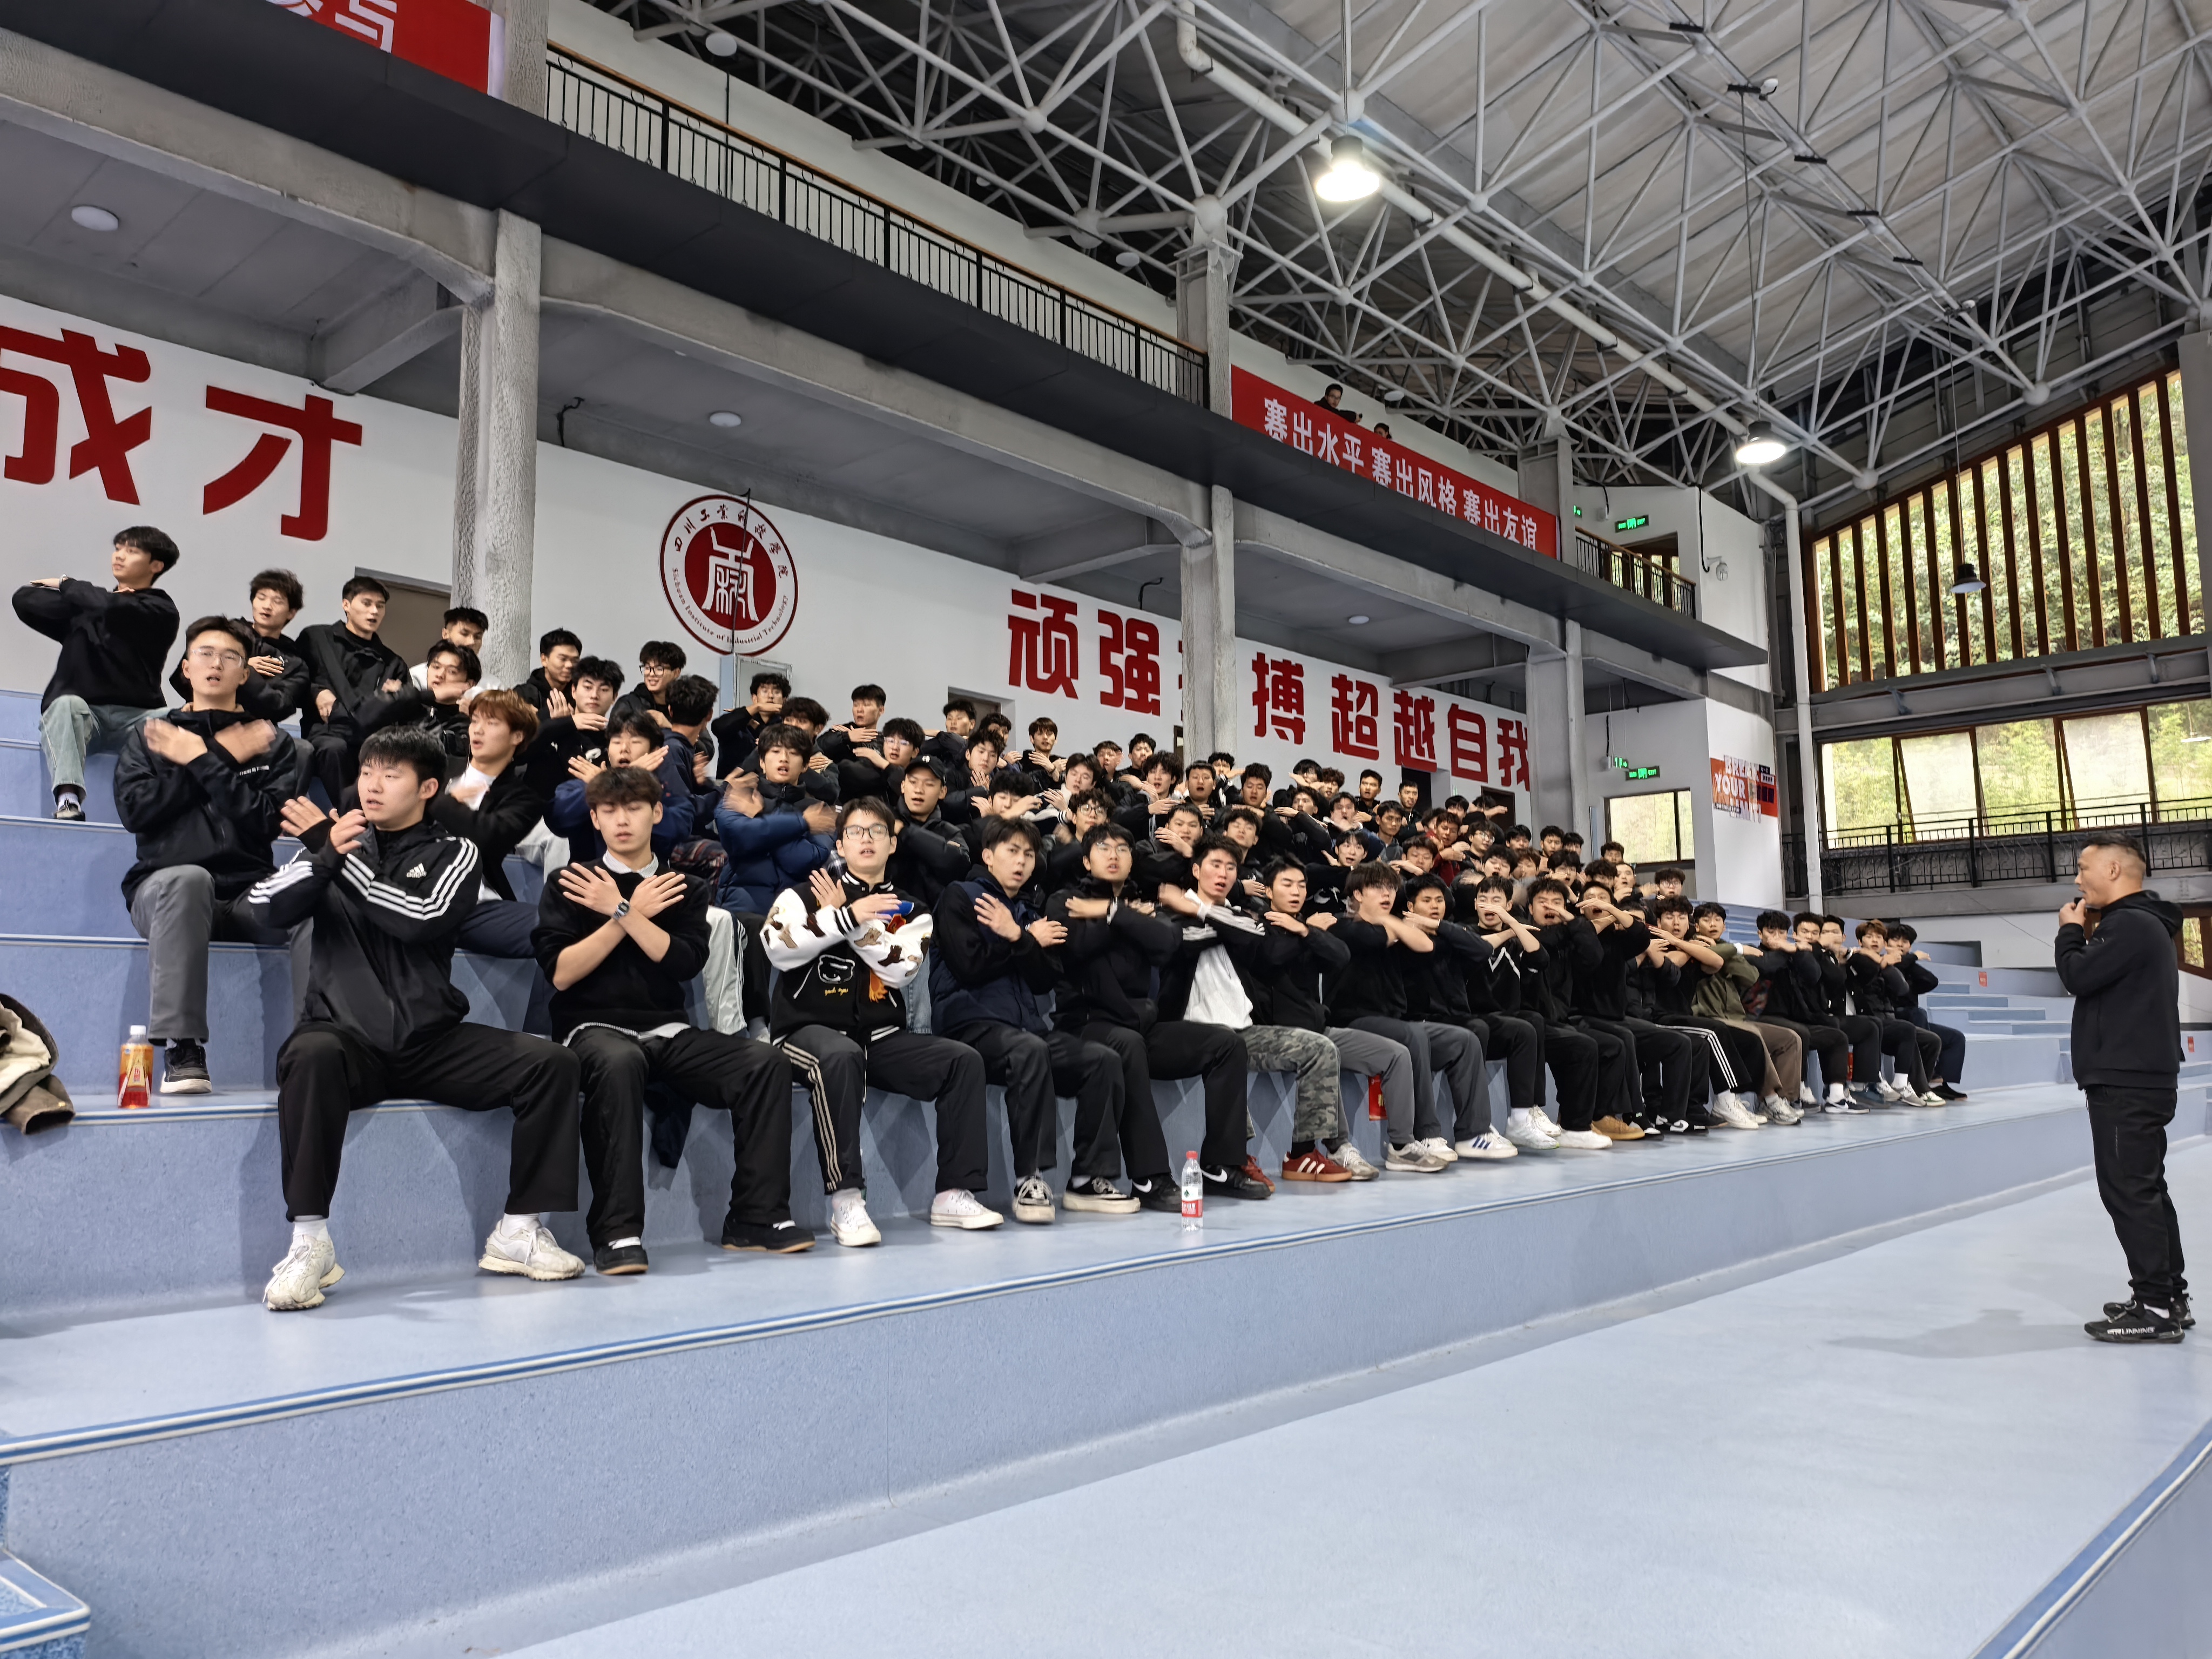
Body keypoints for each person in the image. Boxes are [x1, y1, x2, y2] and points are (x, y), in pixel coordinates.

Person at [251, 728, 585, 1310]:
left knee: (551, 1063)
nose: (373, 785)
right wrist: (326, 855)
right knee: (308, 1052)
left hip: (431, 1041)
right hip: (347, 1040)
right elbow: (262, 909)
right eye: (367, 772)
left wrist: (337, 858)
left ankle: (519, 1230)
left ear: (428, 788)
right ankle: (310, 1243)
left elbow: (419, 916)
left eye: (392, 774)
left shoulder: (456, 853)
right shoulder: (329, 847)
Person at [536, 765, 810, 1274]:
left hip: (668, 1030)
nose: (622, 820)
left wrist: (622, 910)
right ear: (594, 819)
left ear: (657, 812)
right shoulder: (573, 882)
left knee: (765, 1063)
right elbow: (563, 973)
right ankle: (617, 1232)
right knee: (619, 1063)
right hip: (592, 1029)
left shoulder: (683, 887)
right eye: (609, 810)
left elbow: (683, 963)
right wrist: (623, 911)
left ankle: (755, 1217)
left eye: (634, 808)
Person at [763, 797, 1001, 1244]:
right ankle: (847, 1201)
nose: (867, 839)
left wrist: (850, 922)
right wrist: (843, 915)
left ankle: (954, 1193)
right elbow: (778, 947)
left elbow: (901, 968)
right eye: (855, 831)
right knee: (841, 1056)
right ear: (840, 844)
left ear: (893, 843)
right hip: (806, 1032)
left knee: (962, 1061)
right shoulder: (802, 894)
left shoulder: (913, 909)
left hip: (881, 1036)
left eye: (878, 831)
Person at [115, 616, 300, 1094]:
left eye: (231, 656)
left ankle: (315, 1048)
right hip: (167, 891)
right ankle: (183, 1048)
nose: (216, 663)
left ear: (245, 674)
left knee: (316, 897)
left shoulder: (271, 742)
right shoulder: (152, 734)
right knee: (190, 879)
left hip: (248, 895)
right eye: (205, 653)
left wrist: (199, 757)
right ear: (186, 668)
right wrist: (221, 754)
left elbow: (267, 820)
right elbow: (138, 812)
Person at [1046, 821, 1268, 1206]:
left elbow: (1168, 942)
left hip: (1141, 1026)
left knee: (1226, 1044)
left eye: (1123, 849)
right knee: (1129, 1045)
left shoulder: (1144, 903)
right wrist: (1127, 917)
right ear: (1085, 861)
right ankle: (1149, 1177)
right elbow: (1078, 946)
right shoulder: (1064, 900)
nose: (1114, 855)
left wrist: (1112, 912)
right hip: (1086, 1025)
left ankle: (1220, 1165)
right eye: (1104, 848)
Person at [931, 818, 1134, 1223]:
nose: (1022, 862)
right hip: (971, 1024)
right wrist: (1020, 938)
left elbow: (1045, 979)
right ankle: (1031, 1179)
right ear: (988, 857)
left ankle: (1087, 1179)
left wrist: (1020, 936)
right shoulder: (961, 896)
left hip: (1026, 1028)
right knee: (1030, 1050)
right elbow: (969, 967)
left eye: (1029, 854)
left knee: (1102, 1060)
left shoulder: (1029, 911)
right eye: (1012, 852)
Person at [2058, 839, 2190, 1343]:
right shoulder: (2146, 923)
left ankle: (2155, 1307)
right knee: (2147, 1188)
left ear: (2113, 869)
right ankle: (2169, 1296)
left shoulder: (2128, 924)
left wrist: (2070, 932)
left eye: (2083, 868)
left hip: (2125, 1079)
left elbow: (2077, 975)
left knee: (2129, 1191)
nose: (2078, 879)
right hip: (2142, 1075)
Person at [1159, 837, 1347, 1184]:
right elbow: (1185, 941)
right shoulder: (1169, 913)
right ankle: (1236, 1154)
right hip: (1190, 1031)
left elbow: (1255, 939)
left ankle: (1302, 1153)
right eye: (1216, 865)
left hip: (1242, 1028)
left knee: (1320, 1049)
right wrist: (1210, 917)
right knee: (1226, 1047)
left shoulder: (1237, 916)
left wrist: (1206, 913)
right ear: (1196, 870)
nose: (1224, 874)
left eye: (1231, 867)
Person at [14, 524, 181, 821]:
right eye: (118, 548)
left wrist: (67, 584)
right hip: (86, 717)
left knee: (182, 719)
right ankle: (68, 800)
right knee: (65, 705)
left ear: (156, 565)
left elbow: (114, 610)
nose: (119, 556)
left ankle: (179, 810)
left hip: (137, 721)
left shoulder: (160, 609)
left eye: (132, 551)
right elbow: (25, 598)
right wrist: (91, 598)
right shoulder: (87, 609)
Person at [1326, 864, 1469, 1171]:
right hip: (1353, 1020)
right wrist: (1393, 923)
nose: (1387, 894)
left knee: (1463, 1039)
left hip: (1392, 1020)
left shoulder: (1389, 927)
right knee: (1412, 1035)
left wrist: (1389, 921)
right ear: (1357, 894)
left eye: (1391, 888)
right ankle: (1423, 1135)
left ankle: (1474, 1132)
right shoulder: (1343, 927)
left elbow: (1425, 944)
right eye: (1378, 888)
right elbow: (1376, 938)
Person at [430, 689, 546, 959]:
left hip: (472, 902)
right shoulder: (437, 772)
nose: (478, 730)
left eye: (491, 723)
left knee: (563, 929)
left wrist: (441, 804)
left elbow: (485, 839)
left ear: (517, 736)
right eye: (475, 721)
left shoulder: (523, 798)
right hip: (416, 890)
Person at [1745, 911, 1856, 1112]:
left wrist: (1799, 952)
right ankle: (1799, 1091)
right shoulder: (1752, 951)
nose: (1777, 936)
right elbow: (1767, 966)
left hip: (1793, 1018)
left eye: (1782, 932)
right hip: (1761, 1017)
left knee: (1837, 1037)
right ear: (1760, 934)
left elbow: (1814, 975)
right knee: (1800, 1033)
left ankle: (1836, 1097)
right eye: (1771, 931)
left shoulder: (1792, 954)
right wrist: (1790, 949)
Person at [168, 568, 309, 724]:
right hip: (199, 720)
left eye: (277, 601)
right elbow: (181, 679)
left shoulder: (294, 662)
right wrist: (238, 665)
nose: (267, 606)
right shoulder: (223, 634)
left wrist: (247, 674)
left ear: (291, 613)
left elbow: (280, 708)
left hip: (254, 730)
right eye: (261, 598)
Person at [297, 576, 407, 751]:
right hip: (325, 734)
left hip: (372, 740)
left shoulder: (393, 663)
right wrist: (316, 692)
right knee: (335, 748)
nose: (374, 611)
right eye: (367, 603)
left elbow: (403, 712)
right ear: (346, 605)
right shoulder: (316, 638)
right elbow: (294, 682)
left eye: (380, 606)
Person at [1888, 922, 1967, 1100]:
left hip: (1914, 1018)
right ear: (1886, 943)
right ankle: (1920, 1080)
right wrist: (1913, 957)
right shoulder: (1884, 963)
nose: (1900, 944)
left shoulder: (1908, 966)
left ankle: (1937, 1083)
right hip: (1892, 1017)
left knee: (1955, 1038)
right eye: (1895, 939)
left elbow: (1931, 981)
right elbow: (1896, 968)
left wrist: (1910, 962)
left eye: (1905, 942)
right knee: (1919, 1013)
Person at [711, 670, 790, 774]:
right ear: (754, 698)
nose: (771, 696)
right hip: (731, 783)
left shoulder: (788, 728)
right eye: (765, 691)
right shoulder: (739, 721)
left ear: (784, 700)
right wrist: (756, 708)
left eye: (776, 692)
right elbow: (718, 728)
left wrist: (757, 728)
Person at [409, 607, 490, 690]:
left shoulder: (491, 685)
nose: (471, 642)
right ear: (445, 634)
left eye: (478, 637)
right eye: (464, 634)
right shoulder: (416, 677)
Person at [512, 628, 583, 719]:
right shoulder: (523, 695)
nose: (570, 665)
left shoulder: (581, 695)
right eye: (563, 659)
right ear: (544, 660)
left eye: (575, 661)